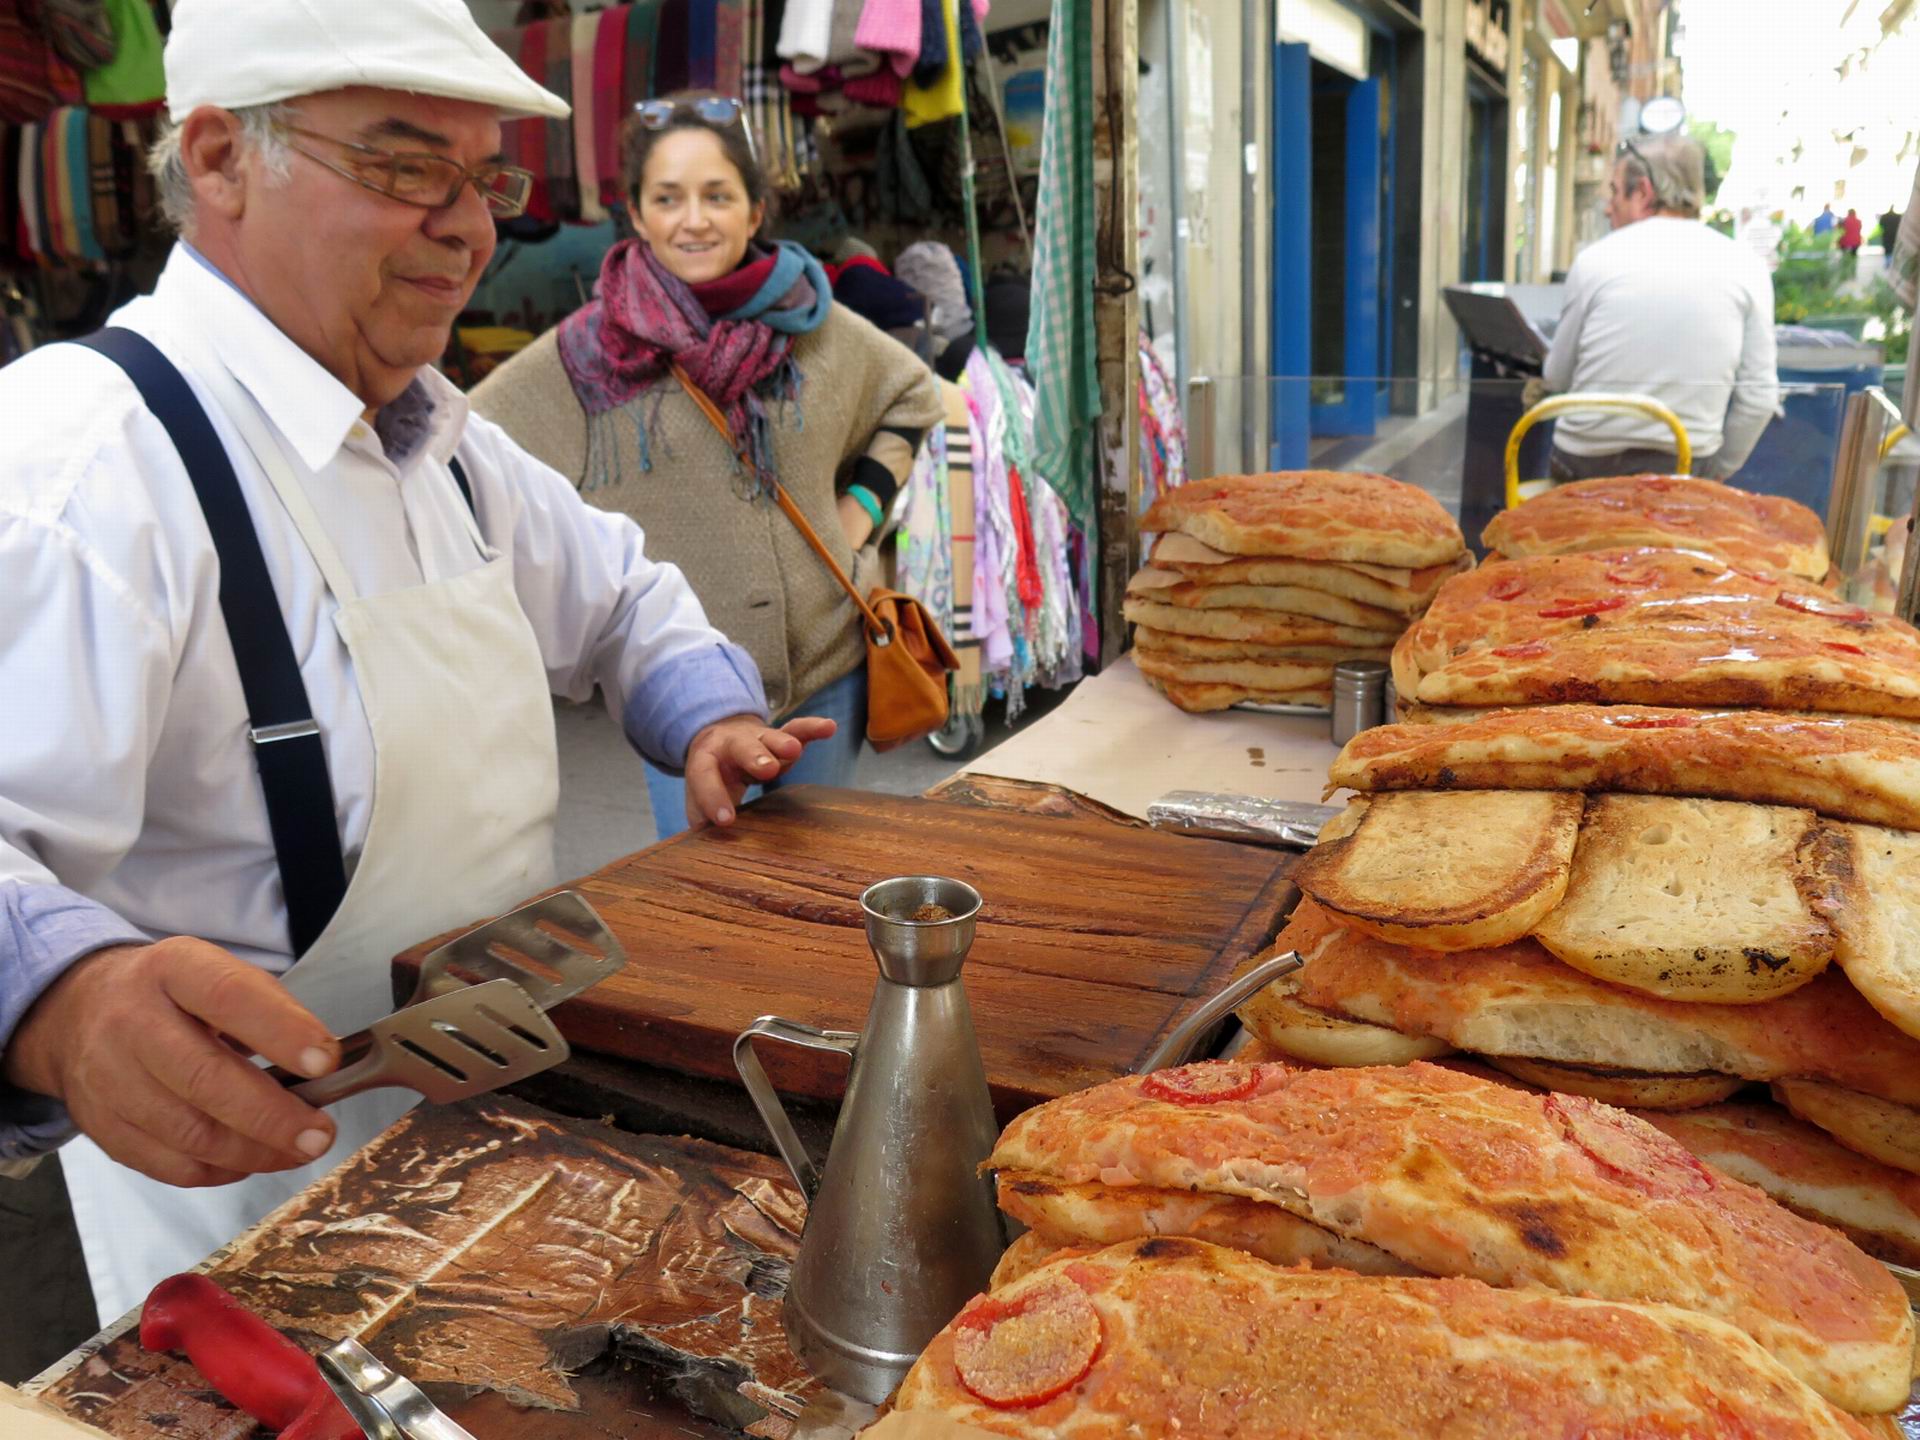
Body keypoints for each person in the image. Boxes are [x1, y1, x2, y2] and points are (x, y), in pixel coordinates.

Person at [0, 0, 839, 1329]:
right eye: (403, 169)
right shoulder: (76, 463)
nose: (466, 226)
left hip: (500, 1180)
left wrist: (704, 716)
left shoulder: (443, 444)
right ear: (217, 159)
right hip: (251, 1244)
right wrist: (56, 1000)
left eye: (483, 178)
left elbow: (623, 594)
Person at [472, 97, 942, 838]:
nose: (694, 219)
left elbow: (912, 396)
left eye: (717, 196)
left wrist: (859, 509)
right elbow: (462, 453)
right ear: (636, 213)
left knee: (821, 890)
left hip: (827, 672)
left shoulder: (814, 323)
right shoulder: (586, 356)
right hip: (683, 695)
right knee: (710, 899)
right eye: (669, 198)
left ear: (755, 212)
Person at [1543, 133, 1778, 481]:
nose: (1608, 206)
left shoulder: (1594, 260)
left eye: (1614, 191)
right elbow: (1759, 399)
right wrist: (1716, 473)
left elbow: (1555, 377)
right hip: (1684, 468)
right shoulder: (1748, 267)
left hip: (1584, 468)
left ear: (1643, 192)